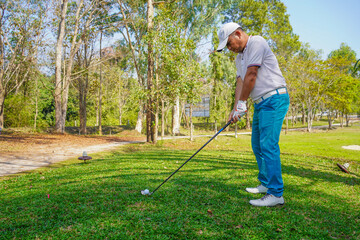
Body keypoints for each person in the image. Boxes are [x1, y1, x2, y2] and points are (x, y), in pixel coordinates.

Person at [217, 22, 290, 207]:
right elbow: (241, 83)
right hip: (260, 103)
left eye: (228, 43)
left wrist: (242, 103)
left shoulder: (257, 42)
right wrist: (235, 108)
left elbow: (252, 75)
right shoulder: (239, 59)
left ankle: (276, 194)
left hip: (273, 99)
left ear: (238, 34)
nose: (229, 48)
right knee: (257, 144)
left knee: (268, 145)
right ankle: (266, 183)